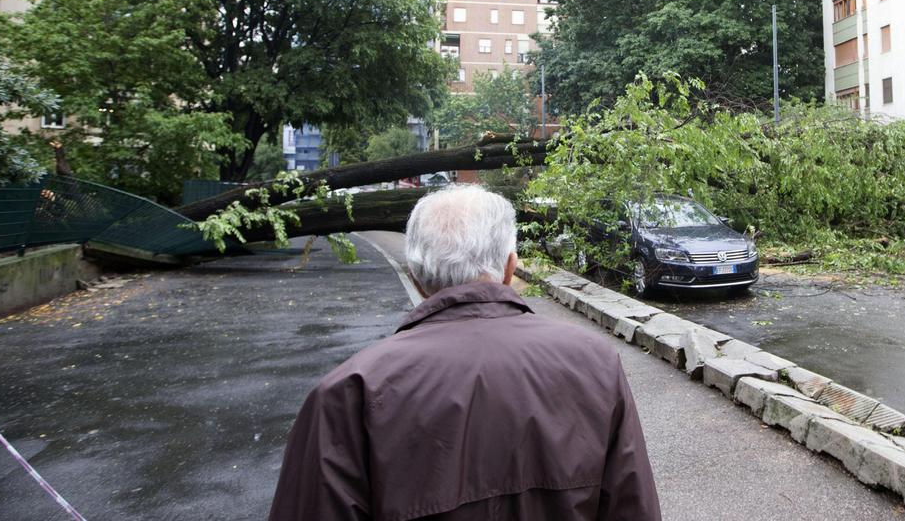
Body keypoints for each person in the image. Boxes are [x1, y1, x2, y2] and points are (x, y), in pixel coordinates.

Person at [268, 185, 661, 520]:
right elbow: (632, 508)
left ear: (416, 277)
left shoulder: (349, 393)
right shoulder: (594, 362)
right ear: (510, 268)